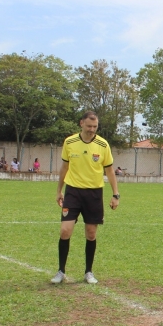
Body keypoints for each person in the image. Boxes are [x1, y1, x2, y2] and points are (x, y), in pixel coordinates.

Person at [52, 111, 120, 284]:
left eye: (95, 126)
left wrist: (115, 194)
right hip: (72, 192)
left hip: (94, 193)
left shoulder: (103, 144)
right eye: (89, 126)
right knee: (65, 231)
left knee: (91, 234)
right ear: (81, 123)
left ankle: (88, 272)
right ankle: (61, 271)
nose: (92, 129)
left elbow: (110, 171)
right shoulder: (69, 142)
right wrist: (59, 190)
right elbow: (64, 168)